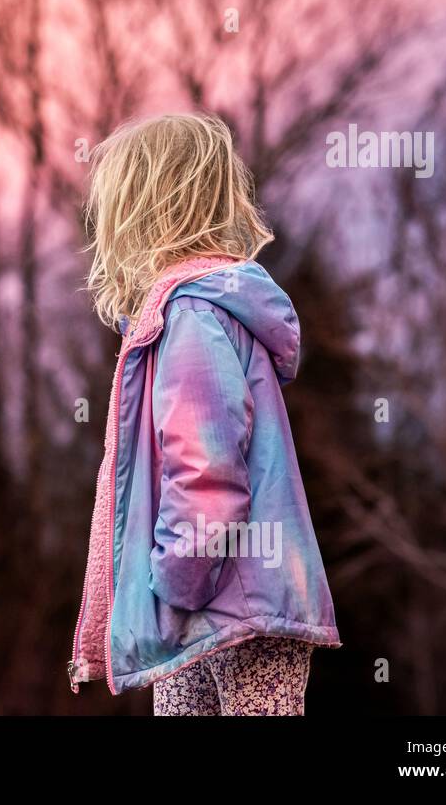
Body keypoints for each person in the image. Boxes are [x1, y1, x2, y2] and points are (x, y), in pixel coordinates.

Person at [68, 113, 340, 715]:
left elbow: (208, 473)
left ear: (146, 211)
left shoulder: (192, 319)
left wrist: (174, 585)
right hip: (221, 604)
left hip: (227, 606)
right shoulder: (196, 315)